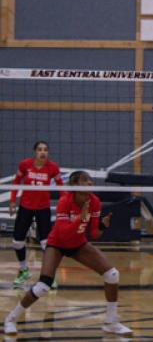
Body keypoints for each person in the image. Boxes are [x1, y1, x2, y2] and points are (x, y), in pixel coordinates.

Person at [4, 171, 132, 337]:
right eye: (85, 181)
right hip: (56, 244)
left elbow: (93, 234)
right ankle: (11, 319)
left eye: (91, 181)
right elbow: (63, 233)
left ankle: (111, 322)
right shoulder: (65, 202)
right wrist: (80, 218)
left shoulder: (94, 201)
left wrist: (102, 226)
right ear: (74, 185)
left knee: (112, 275)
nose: (89, 184)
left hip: (78, 244)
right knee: (43, 286)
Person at [9, 141, 63, 288]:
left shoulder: (52, 167)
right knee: (17, 241)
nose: (43, 152)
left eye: (45, 150)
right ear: (35, 152)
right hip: (25, 207)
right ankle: (23, 269)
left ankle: (48, 276)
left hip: (43, 208)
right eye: (39, 150)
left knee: (47, 244)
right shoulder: (24, 164)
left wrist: (64, 205)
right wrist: (13, 200)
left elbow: (62, 187)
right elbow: (15, 182)